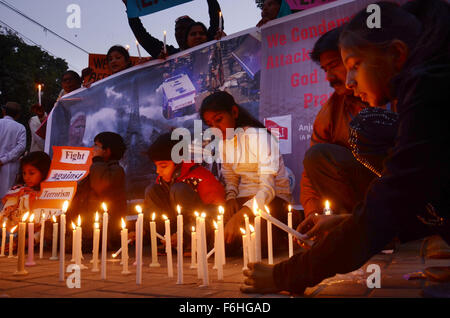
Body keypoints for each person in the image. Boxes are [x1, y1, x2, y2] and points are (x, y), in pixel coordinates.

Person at [241, 0, 450, 294]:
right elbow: (409, 186)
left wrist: (288, 275)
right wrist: (341, 220)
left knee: (370, 129)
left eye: (353, 66)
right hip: (392, 202)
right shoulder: (419, 82)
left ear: (397, 54)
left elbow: (395, 195)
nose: (349, 81)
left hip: (390, 203)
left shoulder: (429, 89)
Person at [200, 91, 298, 254]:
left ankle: (281, 231)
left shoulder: (260, 137)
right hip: (243, 199)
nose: (216, 129)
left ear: (234, 112)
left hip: (273, 200)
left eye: (219, 120)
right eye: (210, 124)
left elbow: (269, 189)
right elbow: (230, 177)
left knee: (260, 245)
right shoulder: (224, 143)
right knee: (214, 238)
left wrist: (241, 215)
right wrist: (231, 198)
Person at [299, 26, 374, 218]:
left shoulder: (392, 95)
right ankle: (353, 225)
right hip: (365, 199)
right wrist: (313, 213)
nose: (329, 77)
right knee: (318, 156)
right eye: (325, 69)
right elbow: (311, 171)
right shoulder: (330, 112)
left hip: (400, 189)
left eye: (334, 66)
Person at [144, 132, 226, 245]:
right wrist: (142, 231)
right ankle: (164, 240)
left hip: (199, 232)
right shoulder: (162, 180)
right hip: (173, 233)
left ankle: (189, 242)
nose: (158, 171)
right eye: (156, 166)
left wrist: (186, 234)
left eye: (163, 166)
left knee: (179, 190)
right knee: (152, 190)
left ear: (179, 162)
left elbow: (216, 212)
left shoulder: (200, 177)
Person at [67, 132, 127, 250]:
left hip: (106, 232)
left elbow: (100, 186)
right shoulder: (97, 168)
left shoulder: (116, 170)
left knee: (69, 245)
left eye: (96, 146)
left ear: (107, 151)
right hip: (88, 226)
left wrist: (97, 160)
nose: (93, 149)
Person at [122, 0, 223, 58]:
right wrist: (132, 9)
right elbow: (144, 38)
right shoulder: (169, 54)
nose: (180, 33)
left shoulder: (211, 43)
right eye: (177, 30)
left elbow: (216, 20)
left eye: (184, 29)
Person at [0, 152, 51, 227]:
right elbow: (6, 216)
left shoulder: (49, 193)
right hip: (18, 232)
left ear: (44, 172)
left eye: (31, 173)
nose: (26, 177)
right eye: (24, 173)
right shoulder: (18, 192)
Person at [0, 102, 27, 205]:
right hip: (9, 167)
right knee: (7, 198)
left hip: (8, 165)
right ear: (17, 115)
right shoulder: (20, 128)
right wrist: (3, 160)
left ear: (4, 111)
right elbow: (21, 148)